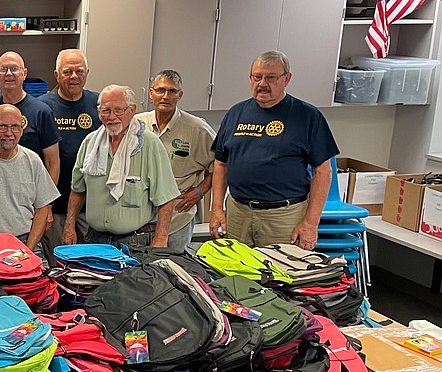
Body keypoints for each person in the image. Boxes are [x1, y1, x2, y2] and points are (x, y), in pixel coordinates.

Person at [209, 51, 339, 249]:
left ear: (287, 79)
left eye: (271, 78)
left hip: (284, 217)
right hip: (237, 212)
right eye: (257, 77)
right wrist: (217, 209)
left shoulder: (307, 116)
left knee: (281, 275)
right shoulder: (236, 113)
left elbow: (323, 171)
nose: (262, 84)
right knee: (235, 274)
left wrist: (311, 223)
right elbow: (220, 163)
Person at [64, 85, 179, 252]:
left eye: (118, 110)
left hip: (136, 242)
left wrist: (161, 239)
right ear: (98, 113)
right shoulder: (90, 143)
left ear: (132, 110)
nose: (112, 117)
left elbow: (166, 198)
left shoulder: (150, 144)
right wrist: (69, 226)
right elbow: (77, 190)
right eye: (106, 111)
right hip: (95, 240)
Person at [135, 70, 216, 253]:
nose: (165, 96)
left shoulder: (197, 129)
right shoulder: (136, 125)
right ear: (150, 93)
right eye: (160, 90)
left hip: (176, 221)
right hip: (140, 222)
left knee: (174, 272)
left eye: (172, 91)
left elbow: (220, 165)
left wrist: (199, 191)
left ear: (180, 95)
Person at [0, 103, 58, 258]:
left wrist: (28, 250)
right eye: (2, 127)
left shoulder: (32, 160)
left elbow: (42, 208)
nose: (9, 133)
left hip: (26, 242)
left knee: (41, 281)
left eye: (15, 127)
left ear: (21, 130)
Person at [0, 51, 60, 182]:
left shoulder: (41, 112)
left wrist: (48, 201)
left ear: (24, 74)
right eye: (4, 69)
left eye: (14, 69)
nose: (9, 74)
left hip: (29, 194)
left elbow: (52, 162)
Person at [40, 48, 101, 247]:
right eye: (67, 72)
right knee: (56, 266)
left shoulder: (100, 105)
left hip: (91, 209)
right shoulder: (42, 108)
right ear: (56, 75)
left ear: (87, 73)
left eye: (79, 71)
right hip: (54, 207)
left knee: (90, 270)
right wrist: (44, 206)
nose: (74, 76)